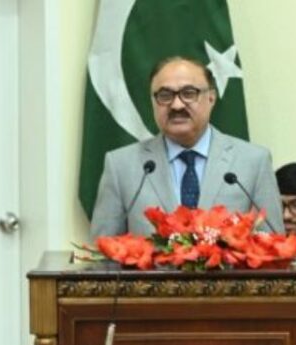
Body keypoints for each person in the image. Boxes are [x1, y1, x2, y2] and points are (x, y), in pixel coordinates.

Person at [89, 56, 283, 240]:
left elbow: (273, 247)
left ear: (211, 98)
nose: (176, 105)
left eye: (189, 93)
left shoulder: (253, 162)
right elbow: (102, 250)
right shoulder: (121, 166)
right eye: (165, 95)